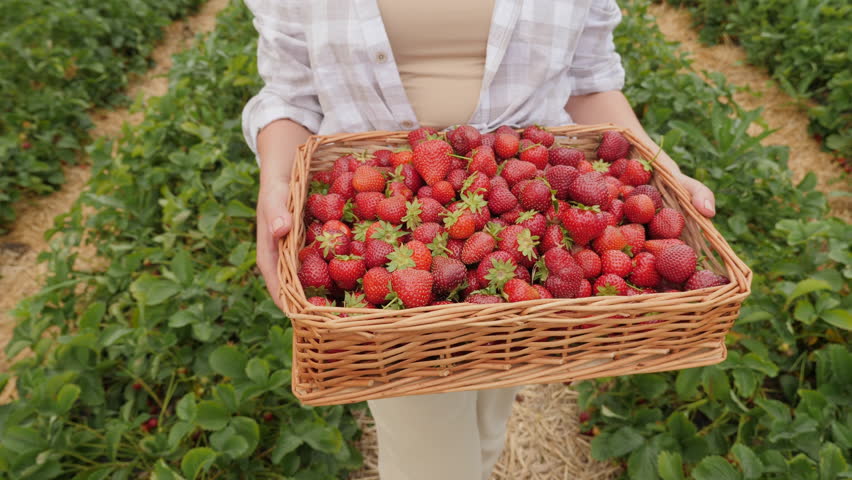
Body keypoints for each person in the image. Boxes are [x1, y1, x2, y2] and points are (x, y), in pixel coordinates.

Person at [243, 2, 716, 479]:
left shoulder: (545, 235)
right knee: (430, 460)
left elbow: (591, 80)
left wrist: (659, 167)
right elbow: (290, 94)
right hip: (394, 228)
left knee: (492, 406)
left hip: (541, 199)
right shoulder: (400, 248)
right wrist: (277, 182)